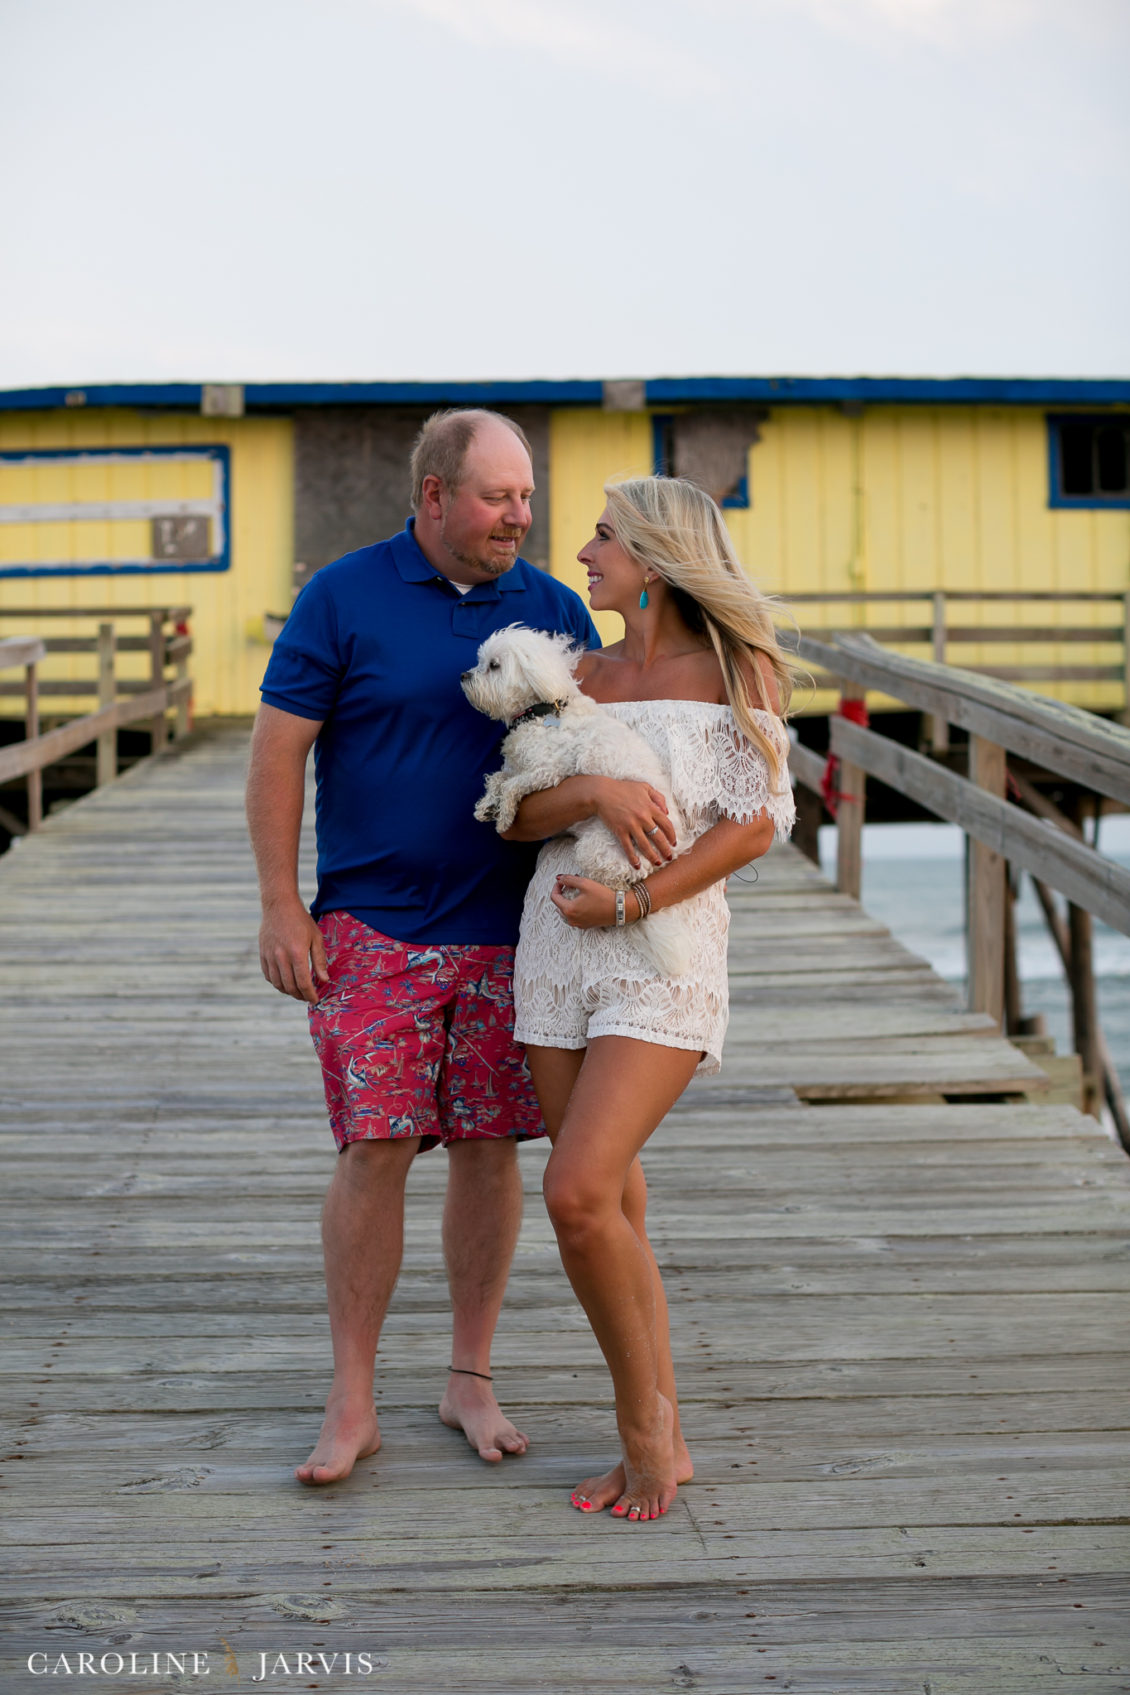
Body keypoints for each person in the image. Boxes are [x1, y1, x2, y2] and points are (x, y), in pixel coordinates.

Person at [246, 409, 599, 1485]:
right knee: (377, 1146)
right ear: (436, 493)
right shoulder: (341, 595)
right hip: (373, 925)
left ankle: (467, 1378)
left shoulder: (553, 607)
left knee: (491, 1147)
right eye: (498, 496)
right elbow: (278, 754)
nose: (519, 516)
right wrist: (280, 904)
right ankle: (351, 1399)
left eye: (526, 496)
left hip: (514, 929)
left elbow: (594, 747)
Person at [499, 475, 796, 1522]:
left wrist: (631, 901)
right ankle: (667, 1425)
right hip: (554, 947)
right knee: (613, 1198)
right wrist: (590, 792)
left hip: (662, 949)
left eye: (602, 536)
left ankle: (640, 1435)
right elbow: (514, 814)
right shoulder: (576, 674)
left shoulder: (737, 668)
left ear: (658, 559)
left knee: (575, 1192)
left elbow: (755, 823)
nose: (582, 553)